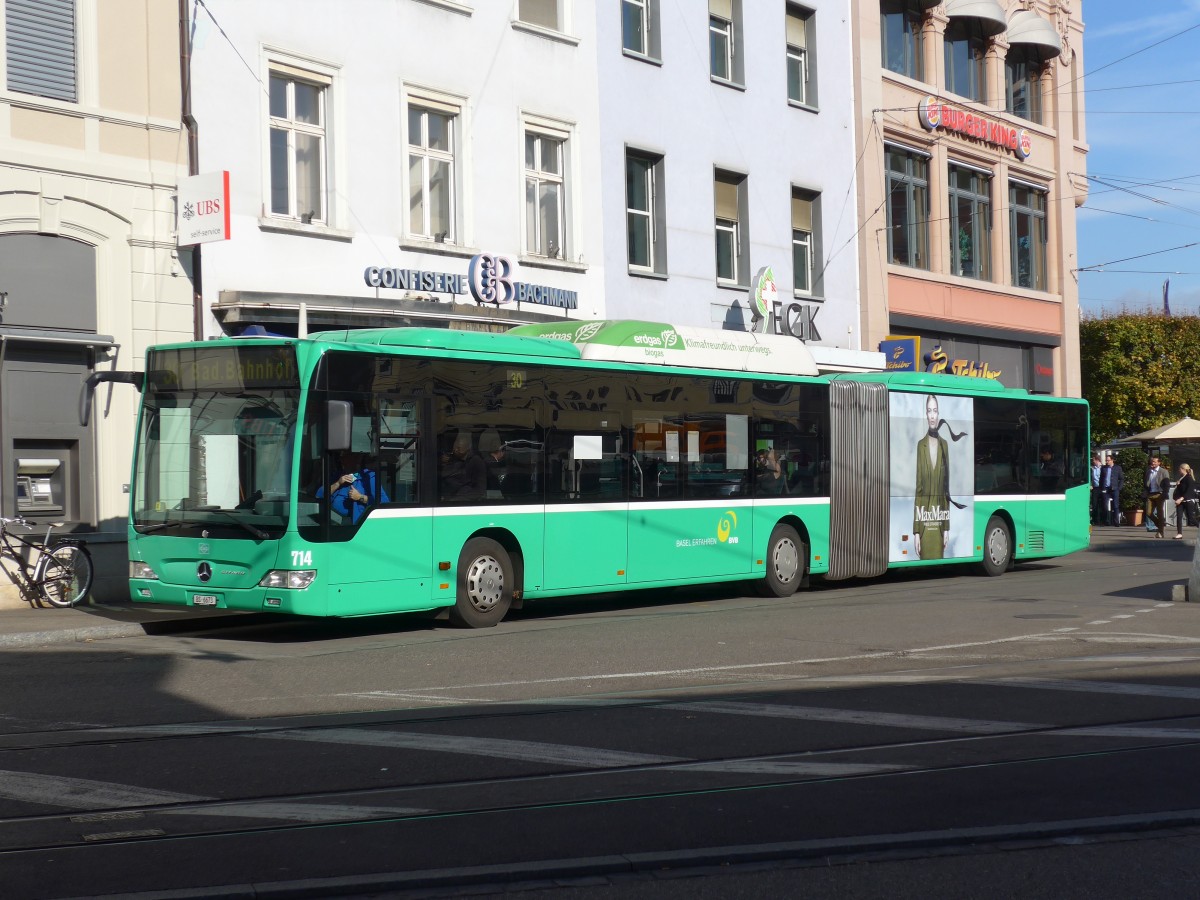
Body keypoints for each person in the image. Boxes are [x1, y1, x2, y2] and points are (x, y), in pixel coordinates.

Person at [913, 395, 967, 560]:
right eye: (929, 411)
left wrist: (946, 528)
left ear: (938, 414)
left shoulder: (945, 445)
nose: (932, 415)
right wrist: (916, 531)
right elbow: (919, 488)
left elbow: (946, 489)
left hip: (939, 521)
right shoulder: (920, 445)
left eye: (935, 411)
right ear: (926, 414)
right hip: (924, 521)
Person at [319, 449, 388, 524]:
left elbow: (384, 502)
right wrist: (338, 483)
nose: (341, 459)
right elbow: (319, 496)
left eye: (345, 456)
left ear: (356, 458)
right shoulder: (338, 476)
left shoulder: (368, 477)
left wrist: (360, 497)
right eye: (341, 456)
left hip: (354, 526)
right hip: (330, 521)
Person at [441, 432, 487, 500]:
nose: (455, 450)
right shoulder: (452, 458)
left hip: (464, 499)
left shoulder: (476, 461)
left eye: (459, 448)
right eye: (454, 447)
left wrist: (458, 498)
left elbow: (480, 489)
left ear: (468, 449)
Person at [1143, 455, 1172, 538]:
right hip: (1151, 494)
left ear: (1159, 463)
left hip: (1159, 494)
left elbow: (1166, 484)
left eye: (1155, 462)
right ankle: (1161, 525)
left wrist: (1165, 493)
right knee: (1149, 513)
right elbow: (1145, 483)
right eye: (1152, 461)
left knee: (1160, 513)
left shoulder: (1163, 471)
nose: (1153, 463)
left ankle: (1160, 532)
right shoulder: (1148, 471)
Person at [1173, 462, 1196, 539]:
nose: (1178, 470)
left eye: (1179, 469)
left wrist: (1181, 498)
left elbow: (1189, 491)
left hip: (1187, 501)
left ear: (1183, 469)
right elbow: (1181, 489)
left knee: (1191, 519)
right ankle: (1179, 533)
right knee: (1179, 517)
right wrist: (1178, 485)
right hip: (1180, 501)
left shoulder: (1189, 478)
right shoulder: (1181, 478)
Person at [1101, 453, 1123, 526]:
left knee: (1115, 506)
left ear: (1112, 460)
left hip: (1114, 488)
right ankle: (1106, 521)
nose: (1107, 462)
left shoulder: (1117, 468)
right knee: (1105, 505)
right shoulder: (1103, 468)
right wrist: (1102, 487)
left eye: (1108, 460)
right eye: (1106, 460)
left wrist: (1119, 488)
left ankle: (1116, 522)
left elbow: (1121, 479)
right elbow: (1101, 478)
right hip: (1106, 488)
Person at [1090, 453, 1105, 524]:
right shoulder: (1092, 469)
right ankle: (1095, 520)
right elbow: (1091, 478)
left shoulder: (1103, 468)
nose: (1093, 461)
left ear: (1097, 460)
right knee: (1094, 504)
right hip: (1095, 488)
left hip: (1102, 487)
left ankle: (1102, 520)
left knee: (1102, 504)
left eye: (1093, 460)